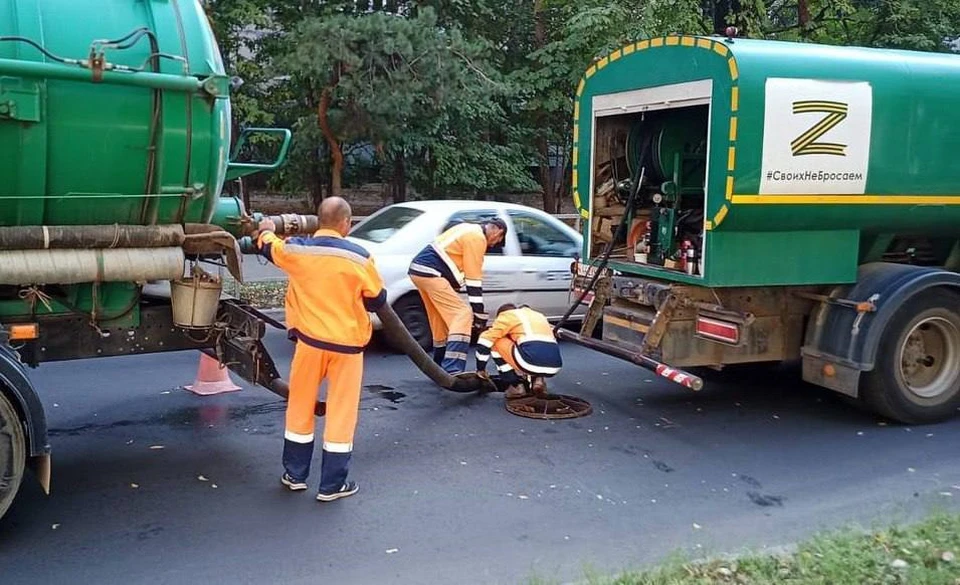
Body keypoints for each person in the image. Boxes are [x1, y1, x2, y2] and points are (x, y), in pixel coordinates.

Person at [252, 197, 386, 503]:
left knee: (300, 406)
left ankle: (295, 475)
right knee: (341, 414)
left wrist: (267, 228)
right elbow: (376, 300)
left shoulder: (298, 250)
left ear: (319, 221)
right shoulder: (361, 257)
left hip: (309, 345)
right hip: (347, 349)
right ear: (346, 224)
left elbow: (267, 244)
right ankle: (331, 486)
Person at [407, 218, 507, 374]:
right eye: (499, 240)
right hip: (431, 273)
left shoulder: (467, 228)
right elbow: (473, 280)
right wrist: (478, 314)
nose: (493, 245)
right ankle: (453, 368)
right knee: (462, 314)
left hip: (419, 271)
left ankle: (438, 364)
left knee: (440, 321)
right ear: (498, 231)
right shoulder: (477, 238)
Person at [474, 303, 563, 399]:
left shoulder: (507, 316)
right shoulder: (538, 315)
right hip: (555, 366)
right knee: (533, 348)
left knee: (495, 340)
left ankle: (515, 386)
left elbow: (485, 340)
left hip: (530, 363)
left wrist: (481, 369)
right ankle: (538, 380)